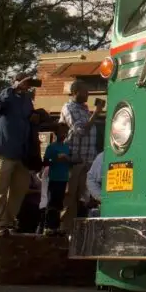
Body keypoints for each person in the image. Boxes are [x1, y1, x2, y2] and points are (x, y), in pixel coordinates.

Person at [0, 73, 37, 235]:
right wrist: (14, 87)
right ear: (14, 82)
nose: (27, 85)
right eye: (24, 81)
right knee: (1, 188)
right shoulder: (2, 95)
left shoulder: (27, 100)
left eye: (28, 82)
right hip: (3, 150)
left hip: (21, 154)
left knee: (19, 189)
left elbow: (29, 118)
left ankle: (8, 221)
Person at [60, 80, 104, 228]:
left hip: (87, 162)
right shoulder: (68, 108)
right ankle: (64, 230)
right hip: (73, 161)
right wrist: (96, 113)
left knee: (84, 199)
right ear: (75, 92)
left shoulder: (85, 110)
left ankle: (77, 230)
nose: (88, 94)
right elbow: (80, 130)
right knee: (69, 196)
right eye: (85, 91)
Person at [42, 123, 71, 233]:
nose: (64, 134)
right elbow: (45, 161)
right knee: (52, 202)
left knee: (59, 203)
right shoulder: (51, 147)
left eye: (65, 132)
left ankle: (56, 226)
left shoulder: (66, 147)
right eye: (62, 132)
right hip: (54, 178)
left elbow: (70, 162)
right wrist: (55, 159)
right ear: (56, 133)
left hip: (64, 178)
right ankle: (48, 226)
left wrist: (68, 159)